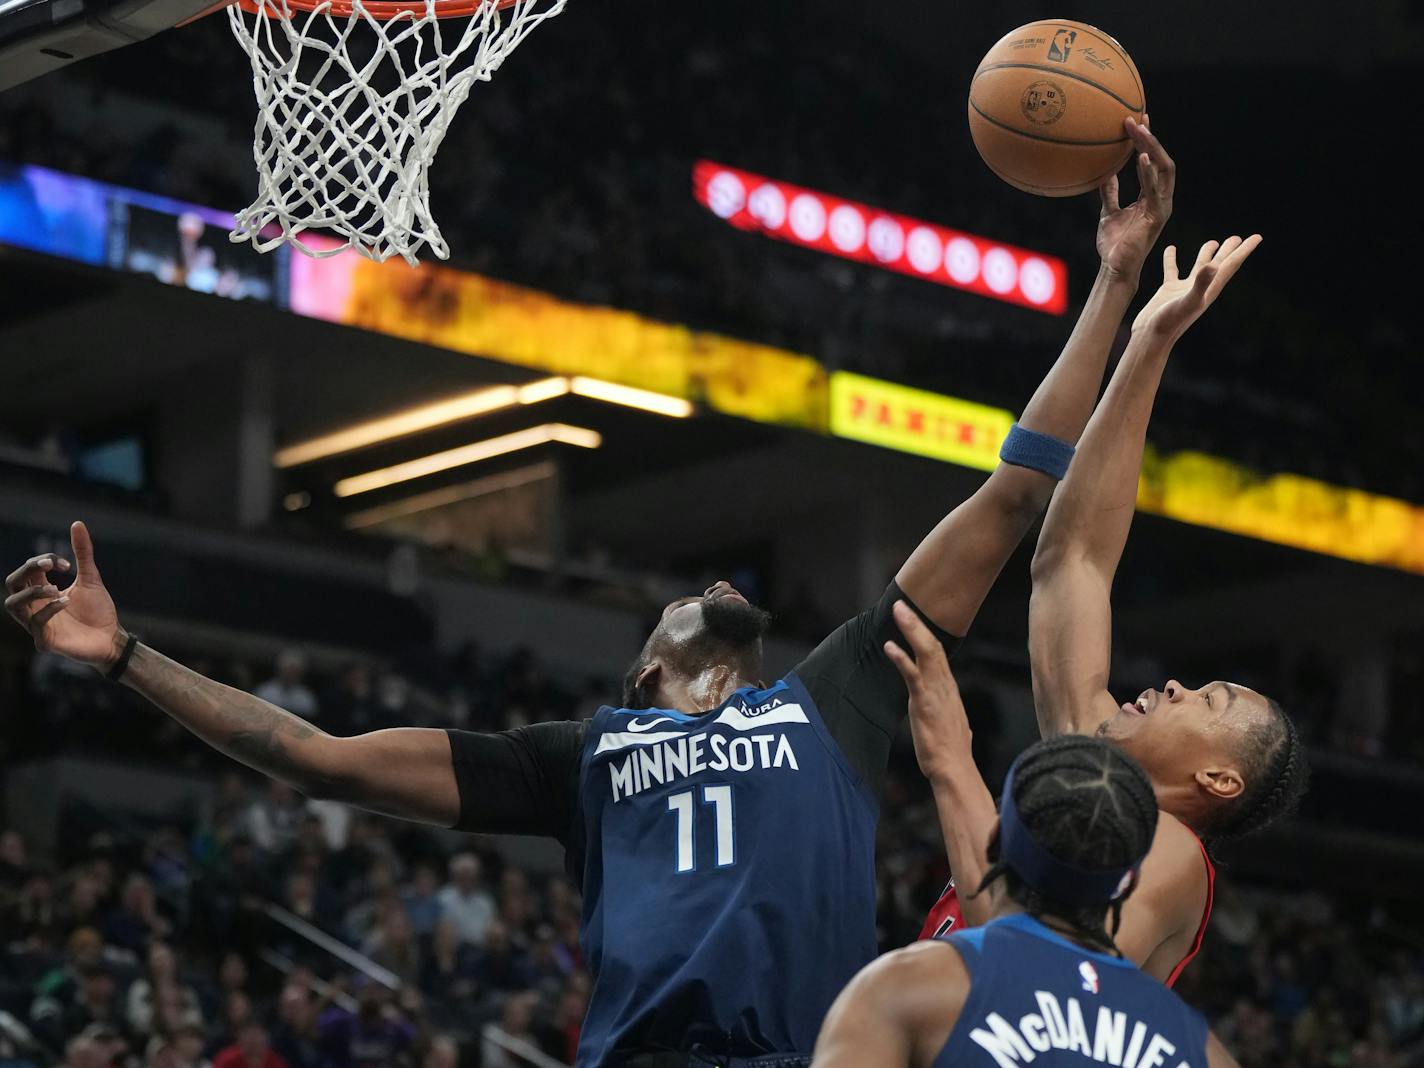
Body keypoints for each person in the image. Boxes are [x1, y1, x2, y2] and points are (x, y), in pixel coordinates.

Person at [5, 118, 1175, 1068]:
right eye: (684, 593)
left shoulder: (837, 697)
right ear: (640, 670)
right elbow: (314, 753)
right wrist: (124, 658)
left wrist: (1112, 281)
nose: (714, 584)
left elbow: (1013, 492)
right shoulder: (579, 755)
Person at [915, 218, 1308, 985]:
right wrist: (1149, 342)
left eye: (1208, 699)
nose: (1173, 685)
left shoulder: (1171, 850)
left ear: (1219, 781)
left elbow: (1032, 974)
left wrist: (949, 760)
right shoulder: (1088, 782)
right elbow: (1073, 563)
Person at [813, 726, 1243, 1066]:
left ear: (995, 839)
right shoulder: (1197, 1048)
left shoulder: (910, 987)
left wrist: (949, 755)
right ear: (1128, 881)